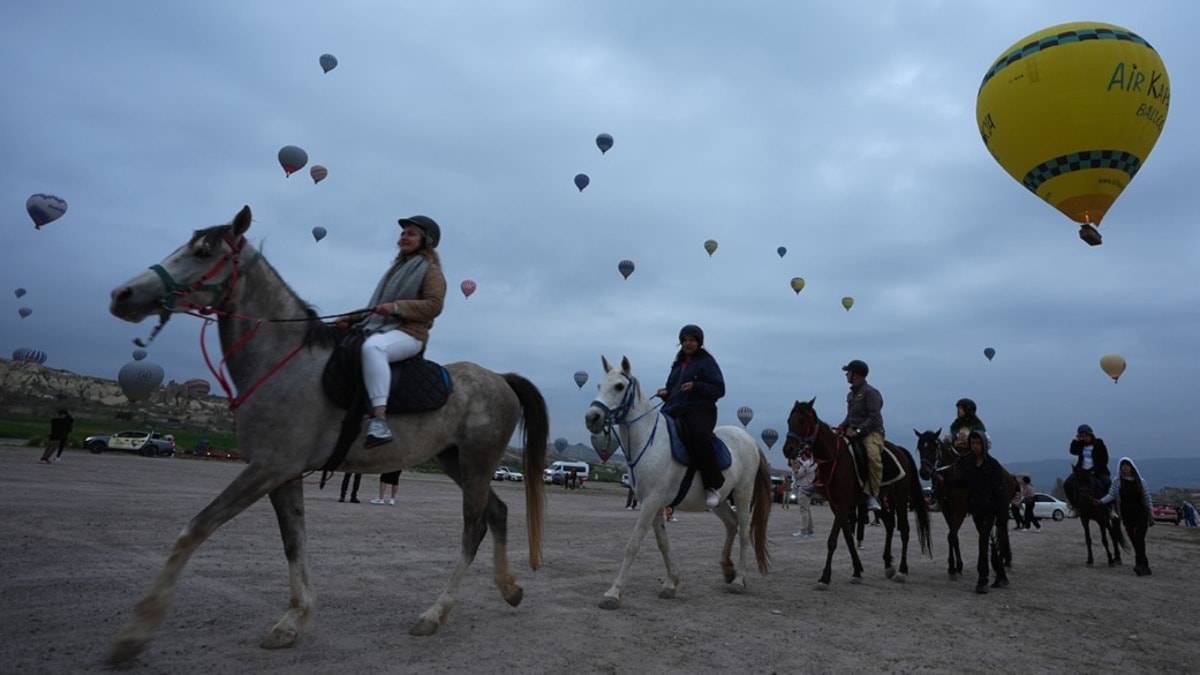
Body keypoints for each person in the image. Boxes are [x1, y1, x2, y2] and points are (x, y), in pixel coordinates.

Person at [337, 215, 447, 448]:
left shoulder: (431, 271)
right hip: (382, 327)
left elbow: (434, 305)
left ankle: (379, 420)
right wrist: (352, 317)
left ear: (425, 240)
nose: (404, 237)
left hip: (410, 334)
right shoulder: (397, 269)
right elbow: (377, 307)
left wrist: (398, 308)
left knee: (374, 348)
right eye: (403, 233)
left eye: (411, 233)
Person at [655, 324, 726, 509]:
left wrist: (697, 386)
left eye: (692, 340)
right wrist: (666, 393)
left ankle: (712, 485)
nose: (688, 343)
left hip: (701, 411)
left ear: (699, 342)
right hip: (675, 409)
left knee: (700, 438)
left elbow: (719, 389)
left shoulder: (707, 362)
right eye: (685, 340)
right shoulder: (677, 365)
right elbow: (674, 391)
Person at [937, 431, 1009, 593]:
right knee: (989, 543)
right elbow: (963, 482)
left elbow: (1001, 491)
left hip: (990, 510)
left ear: (983, 444)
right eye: (973, 443)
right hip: (976, 510)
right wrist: (946, 481)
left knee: (983, 543)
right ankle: (1002, 576)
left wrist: (1002, 515)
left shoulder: (993, 465)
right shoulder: (968, 464)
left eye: (978, 443)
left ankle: (982, 580)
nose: (975, 446)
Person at [837, 359, 884, 511]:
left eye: (848, 372)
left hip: (871, 433)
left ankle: (872, 494)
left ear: (855, 375)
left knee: (872, 457)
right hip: (852, 431)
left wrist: (858, 431)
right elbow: (849, 416)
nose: (846, 375)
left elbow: (874, 417)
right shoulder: (850, 395)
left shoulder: (871, 393)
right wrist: (841, 427)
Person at [1096, 457, 1155, 576]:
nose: (1125, 468)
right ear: (1120, 468)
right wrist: (1101, 501)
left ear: (1132, 467)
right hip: (1127, 516)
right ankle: (1144, 566)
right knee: (1135, 541)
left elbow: (1148, 499)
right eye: (1123, 466)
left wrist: (1151, 515)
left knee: (1139, 539)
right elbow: (1111, 495)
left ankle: (1141, 565)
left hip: (1141, 514)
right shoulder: (1117, 482)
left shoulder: (1141, 481)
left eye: (1127, 465)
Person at [1064, 424, 1110, 508]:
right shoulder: (1081, 445)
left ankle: (1111, 507)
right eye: (1082, 436)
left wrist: (1094, 470)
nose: (1085, 438)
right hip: (1082, 471)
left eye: (1086, 435)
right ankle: (1074, 506)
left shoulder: (1099, 443)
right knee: (1067, 484)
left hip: (1097, 471)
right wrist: (1076, 440)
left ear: (1091, 435)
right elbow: (1073, 451)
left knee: (1108, 483)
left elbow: (1104, 460)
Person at [791, 452, 816, 538]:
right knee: (808, 510)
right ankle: (810, 530)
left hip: (803, 488)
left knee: (804, 511)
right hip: (810, 487)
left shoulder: (806, 464)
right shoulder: (814, 464)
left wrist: (794, 469)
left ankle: (803, 531)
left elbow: (798, 475)